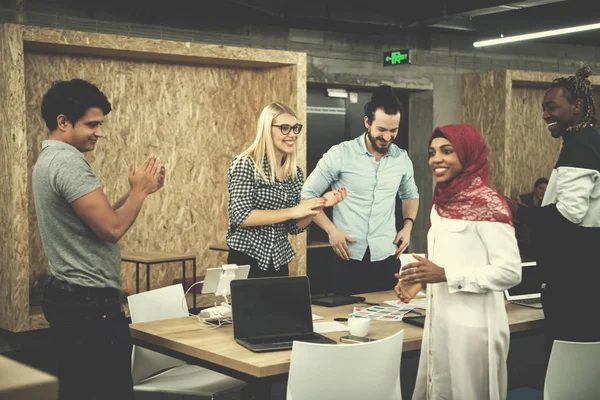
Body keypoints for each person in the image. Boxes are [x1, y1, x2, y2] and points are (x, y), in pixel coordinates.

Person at [33, 79, 165, 400]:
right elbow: (111, 229)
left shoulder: (48, 160)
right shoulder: (68, 162)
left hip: (74, 302)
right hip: (89, 308)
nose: (99, 132)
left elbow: (101, 219)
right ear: (63, 122)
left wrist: (136, 193)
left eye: (100, 124)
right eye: (92, 124)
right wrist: (139, 191)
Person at [396, 124, 521, 400]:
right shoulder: (441, 204)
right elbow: (448, 261)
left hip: (474, 332)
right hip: (439, 324)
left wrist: (444, 275)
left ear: (468, 154)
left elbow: (510, 272)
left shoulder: (490, 204)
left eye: (447, 151)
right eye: (432, 152)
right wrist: (420, 280)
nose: (436, 159)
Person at [511, 66, 600, 362]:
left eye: (552, 107)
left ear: (577, 107)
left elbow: (568, 214)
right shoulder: (586, 142)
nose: (545, 115)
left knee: (565, 366)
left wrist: (521, 213)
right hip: (585, 279)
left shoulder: (581, 146)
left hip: (576, 285)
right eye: (543, 108)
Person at [301, 85, 419, 295]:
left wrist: (408, 227)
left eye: (394, 130)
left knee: (387, 322)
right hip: (347, 258)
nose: (388, 137)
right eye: (381, 130)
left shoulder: (401, 158)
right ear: (367, 122)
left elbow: (410, 195)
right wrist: (331, 230)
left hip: (387, 257)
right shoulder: (340, 154)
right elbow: (307, 195)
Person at [226, 102, 345, 278]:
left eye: (295, 128)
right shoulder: (246, 164)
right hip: (247, 259)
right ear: (267, 129)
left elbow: (294, 227)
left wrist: (320, 204)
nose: (292, 135)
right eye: (284, 128)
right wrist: (293, 211)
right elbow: (240, 215)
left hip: (279, 262)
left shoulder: (294, 173)